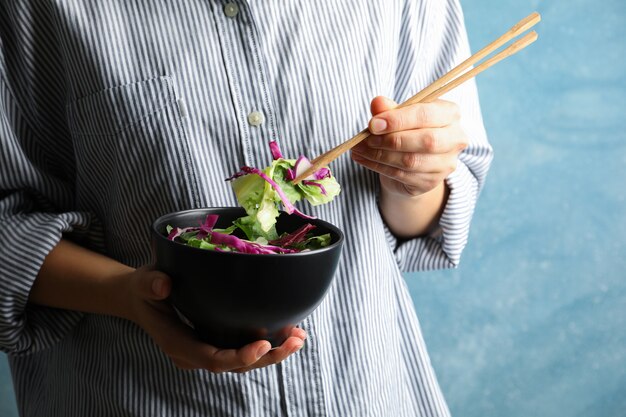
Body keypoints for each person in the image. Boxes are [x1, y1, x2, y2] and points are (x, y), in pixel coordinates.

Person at [0, 0, 493, 416]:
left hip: (367, 386)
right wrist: (126, 294)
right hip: (133, 392)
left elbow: (435, 212)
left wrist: (416, 180)